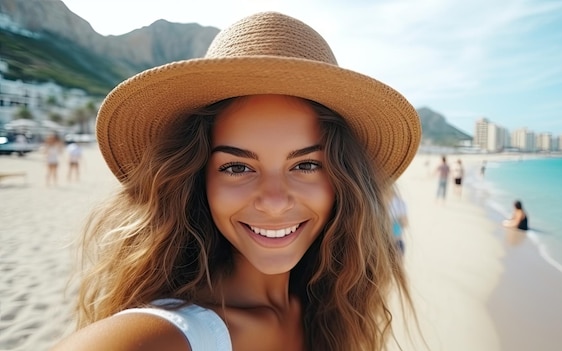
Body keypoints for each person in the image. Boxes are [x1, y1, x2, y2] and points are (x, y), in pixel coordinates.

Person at [52, 12, 421, 351]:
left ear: (344, 179)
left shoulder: (329, 309)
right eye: (237, 167)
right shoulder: (166, 336)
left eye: (306, 165)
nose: (274, 201)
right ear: (198, 180)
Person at [387, 185, 408, 256]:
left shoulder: (400, 204)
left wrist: (395, 219)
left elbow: (406, 223)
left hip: (396, 240)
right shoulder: (378, 203)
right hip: (385, 242)